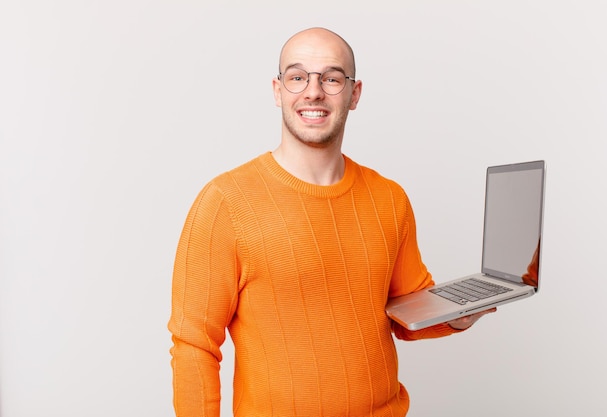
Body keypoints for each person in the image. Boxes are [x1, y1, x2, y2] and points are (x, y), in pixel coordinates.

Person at [167, 27, 495, 417]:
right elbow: (194, 346)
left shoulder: (390, 198)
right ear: (277, 90)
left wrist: (461, 313)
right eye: (297, 77)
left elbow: (406, 313)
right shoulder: (225, 201)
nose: (314, 91)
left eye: (332, 78)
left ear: (354, 94)